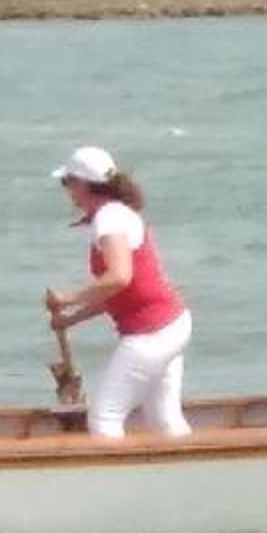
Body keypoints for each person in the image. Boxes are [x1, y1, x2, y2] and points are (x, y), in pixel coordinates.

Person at [44, 145, 193, 439]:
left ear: (83, 184)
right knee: (164, 419)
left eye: (67, 182)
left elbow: (119, 278)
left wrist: (67, 298)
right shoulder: (116, 214)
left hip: (152, 333)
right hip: (170, 325)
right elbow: (116, 292)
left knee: (104, 418)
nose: (67, 192)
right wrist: (71, 319)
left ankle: (113, 484)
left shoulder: (109, 220)